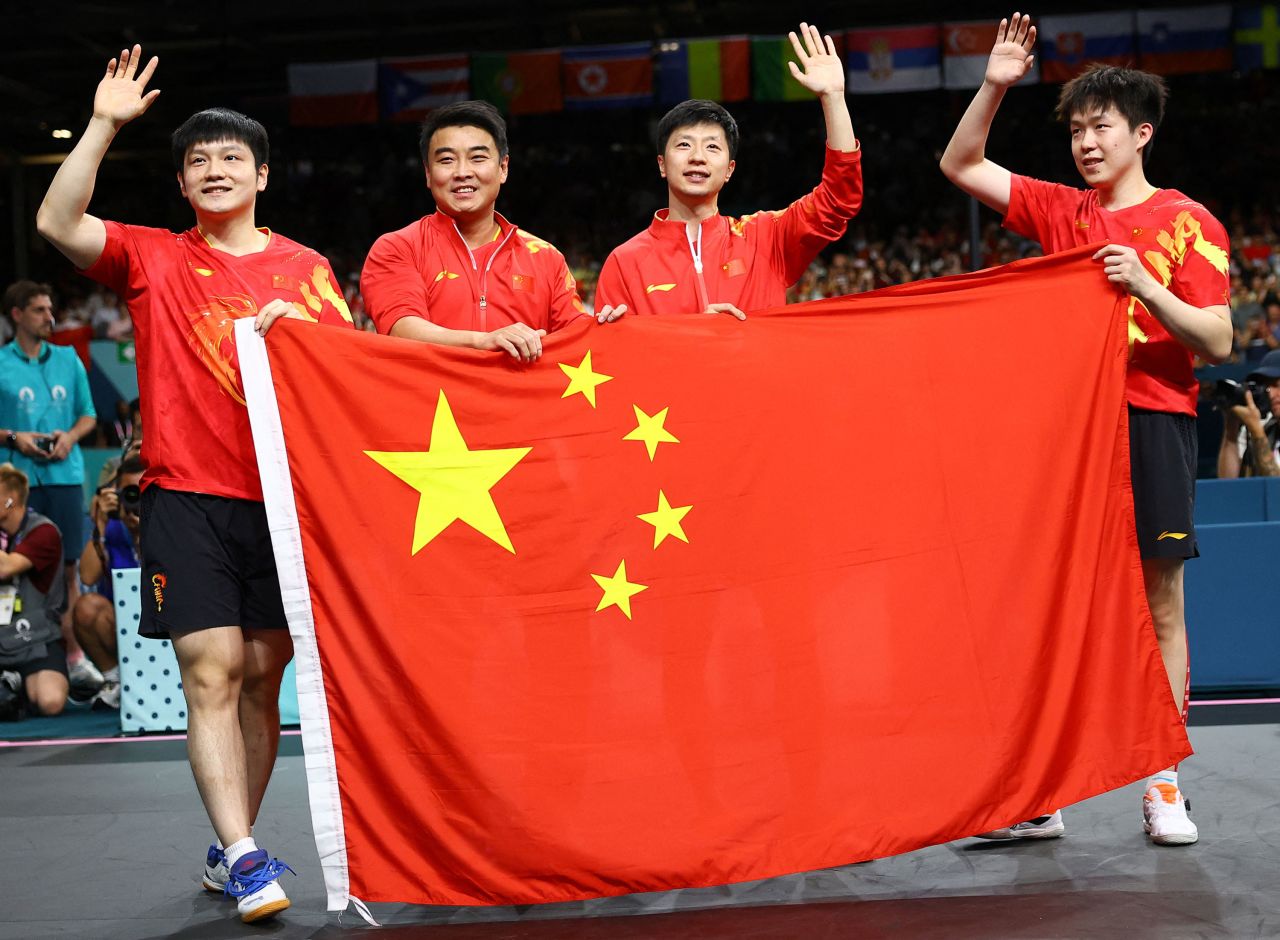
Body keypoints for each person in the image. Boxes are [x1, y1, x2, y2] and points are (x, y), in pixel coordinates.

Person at [36, 45, 354, 923]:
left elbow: (354, 376)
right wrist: (103, 124)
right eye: (198, 163)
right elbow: (60, 225)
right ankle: (251, 858)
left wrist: (310, 331)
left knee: (261, 674)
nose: (215, 171)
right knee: (208, 668)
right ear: (182, 184)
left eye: (231, 160)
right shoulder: (152, 259)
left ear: (262, 174)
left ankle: (229, 845)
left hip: (285, 507)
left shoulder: (310, 271)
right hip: (185, 493)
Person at [940, 14, 1232, 847]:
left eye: (1101, 127)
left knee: (1160, 603)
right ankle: (1046, 792)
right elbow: (960, 164)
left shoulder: (1188, 222)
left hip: (1150, 422)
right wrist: (996, 82)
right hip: (1064, 432)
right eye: (1074, 130)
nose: (1086, 143)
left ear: (1141, 133)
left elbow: (1216, 338)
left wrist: (1144, 283)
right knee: (1054, 606)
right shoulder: (1063, 210)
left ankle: (1163, 782)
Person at [594, 23, 863, 322]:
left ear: (729, 170)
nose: (697, 157)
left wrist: (834, 99)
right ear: (661, 164)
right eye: (684, 145)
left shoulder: (766, 238)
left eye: (712, 147)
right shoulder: (624, 261)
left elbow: (839, 199)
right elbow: (614, 363)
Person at [361, 99, 598, 360]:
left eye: (477, 158)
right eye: (447, 160)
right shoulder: (398, 247)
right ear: (428, 174)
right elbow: (402, 329)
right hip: (431, 400)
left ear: (503, 168)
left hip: (519, 400)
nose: (462, 172)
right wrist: (483, 341)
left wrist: (609, 326)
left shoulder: (545, 258)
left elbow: (579, 339)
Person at [1, 280, 101, 699]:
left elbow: (89, 415)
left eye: (50, 308)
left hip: (64, 476)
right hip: (16, 482)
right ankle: (14, 657)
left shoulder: (68, 360)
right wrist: (13, 438)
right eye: (40, 310)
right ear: (17, 315)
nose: (49, 317)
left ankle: (75, 657)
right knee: (9, 571)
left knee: (70, 572)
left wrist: (69, 438)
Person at [73, 453, 146, 709]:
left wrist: (144, 533)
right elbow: (87, 576)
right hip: (123, 625)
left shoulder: (169, 524)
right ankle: (116, 680)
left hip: (168, 624)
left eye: (143, 491)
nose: (136, 500)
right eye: (129, 492)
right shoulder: (113, 526)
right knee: (86, 608)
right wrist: (100, 525)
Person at [0, 463, 69, 719]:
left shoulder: (44, 531)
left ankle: (18, 687)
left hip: (36, 636)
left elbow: (6, 568)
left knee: (50, 702)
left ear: (10, 500)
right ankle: (11, 688)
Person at [1217, 349, 1280, 478]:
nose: (1270, 393)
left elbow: (1276, 490)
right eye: (1265, 386)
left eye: (1276, 385)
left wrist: (1256, 431)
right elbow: (1228, 484)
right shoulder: (1265, 427)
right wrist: (1231, 430)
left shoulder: (1258, 429)